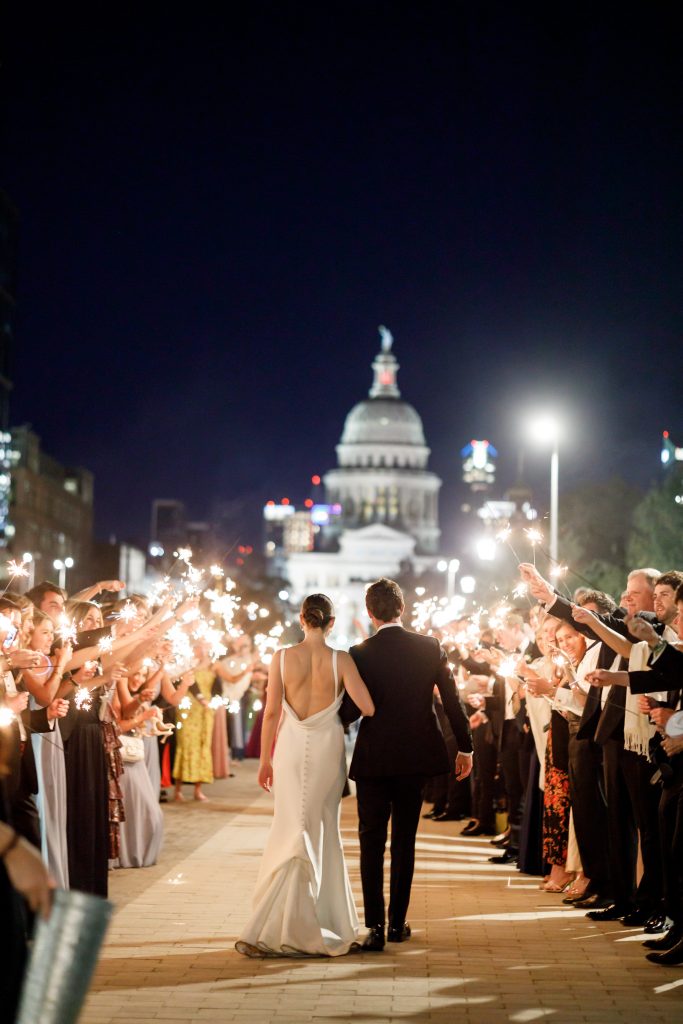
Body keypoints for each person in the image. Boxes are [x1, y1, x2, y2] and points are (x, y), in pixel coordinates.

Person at [236, 593, 375, 958]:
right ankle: (324, 918)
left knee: (289, 824)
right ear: (331, 623)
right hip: (328, 748)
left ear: (302, 619)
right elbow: (368, 707)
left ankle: (281, 919)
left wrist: (265, 759)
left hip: (290, 748)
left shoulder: (281, 658)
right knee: (321, 827)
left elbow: (269, 714)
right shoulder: (340, 660)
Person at [341, 578, 473, 952]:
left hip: (374, 757)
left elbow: (350, 711)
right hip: (415, 756)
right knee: (404, 840)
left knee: (370, 841)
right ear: (402, 609)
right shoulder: (429, 647)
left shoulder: (359, 652)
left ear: (370, 613)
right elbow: (452, 701)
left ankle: (375, 927)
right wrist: (466, 747)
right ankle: (398, 923)